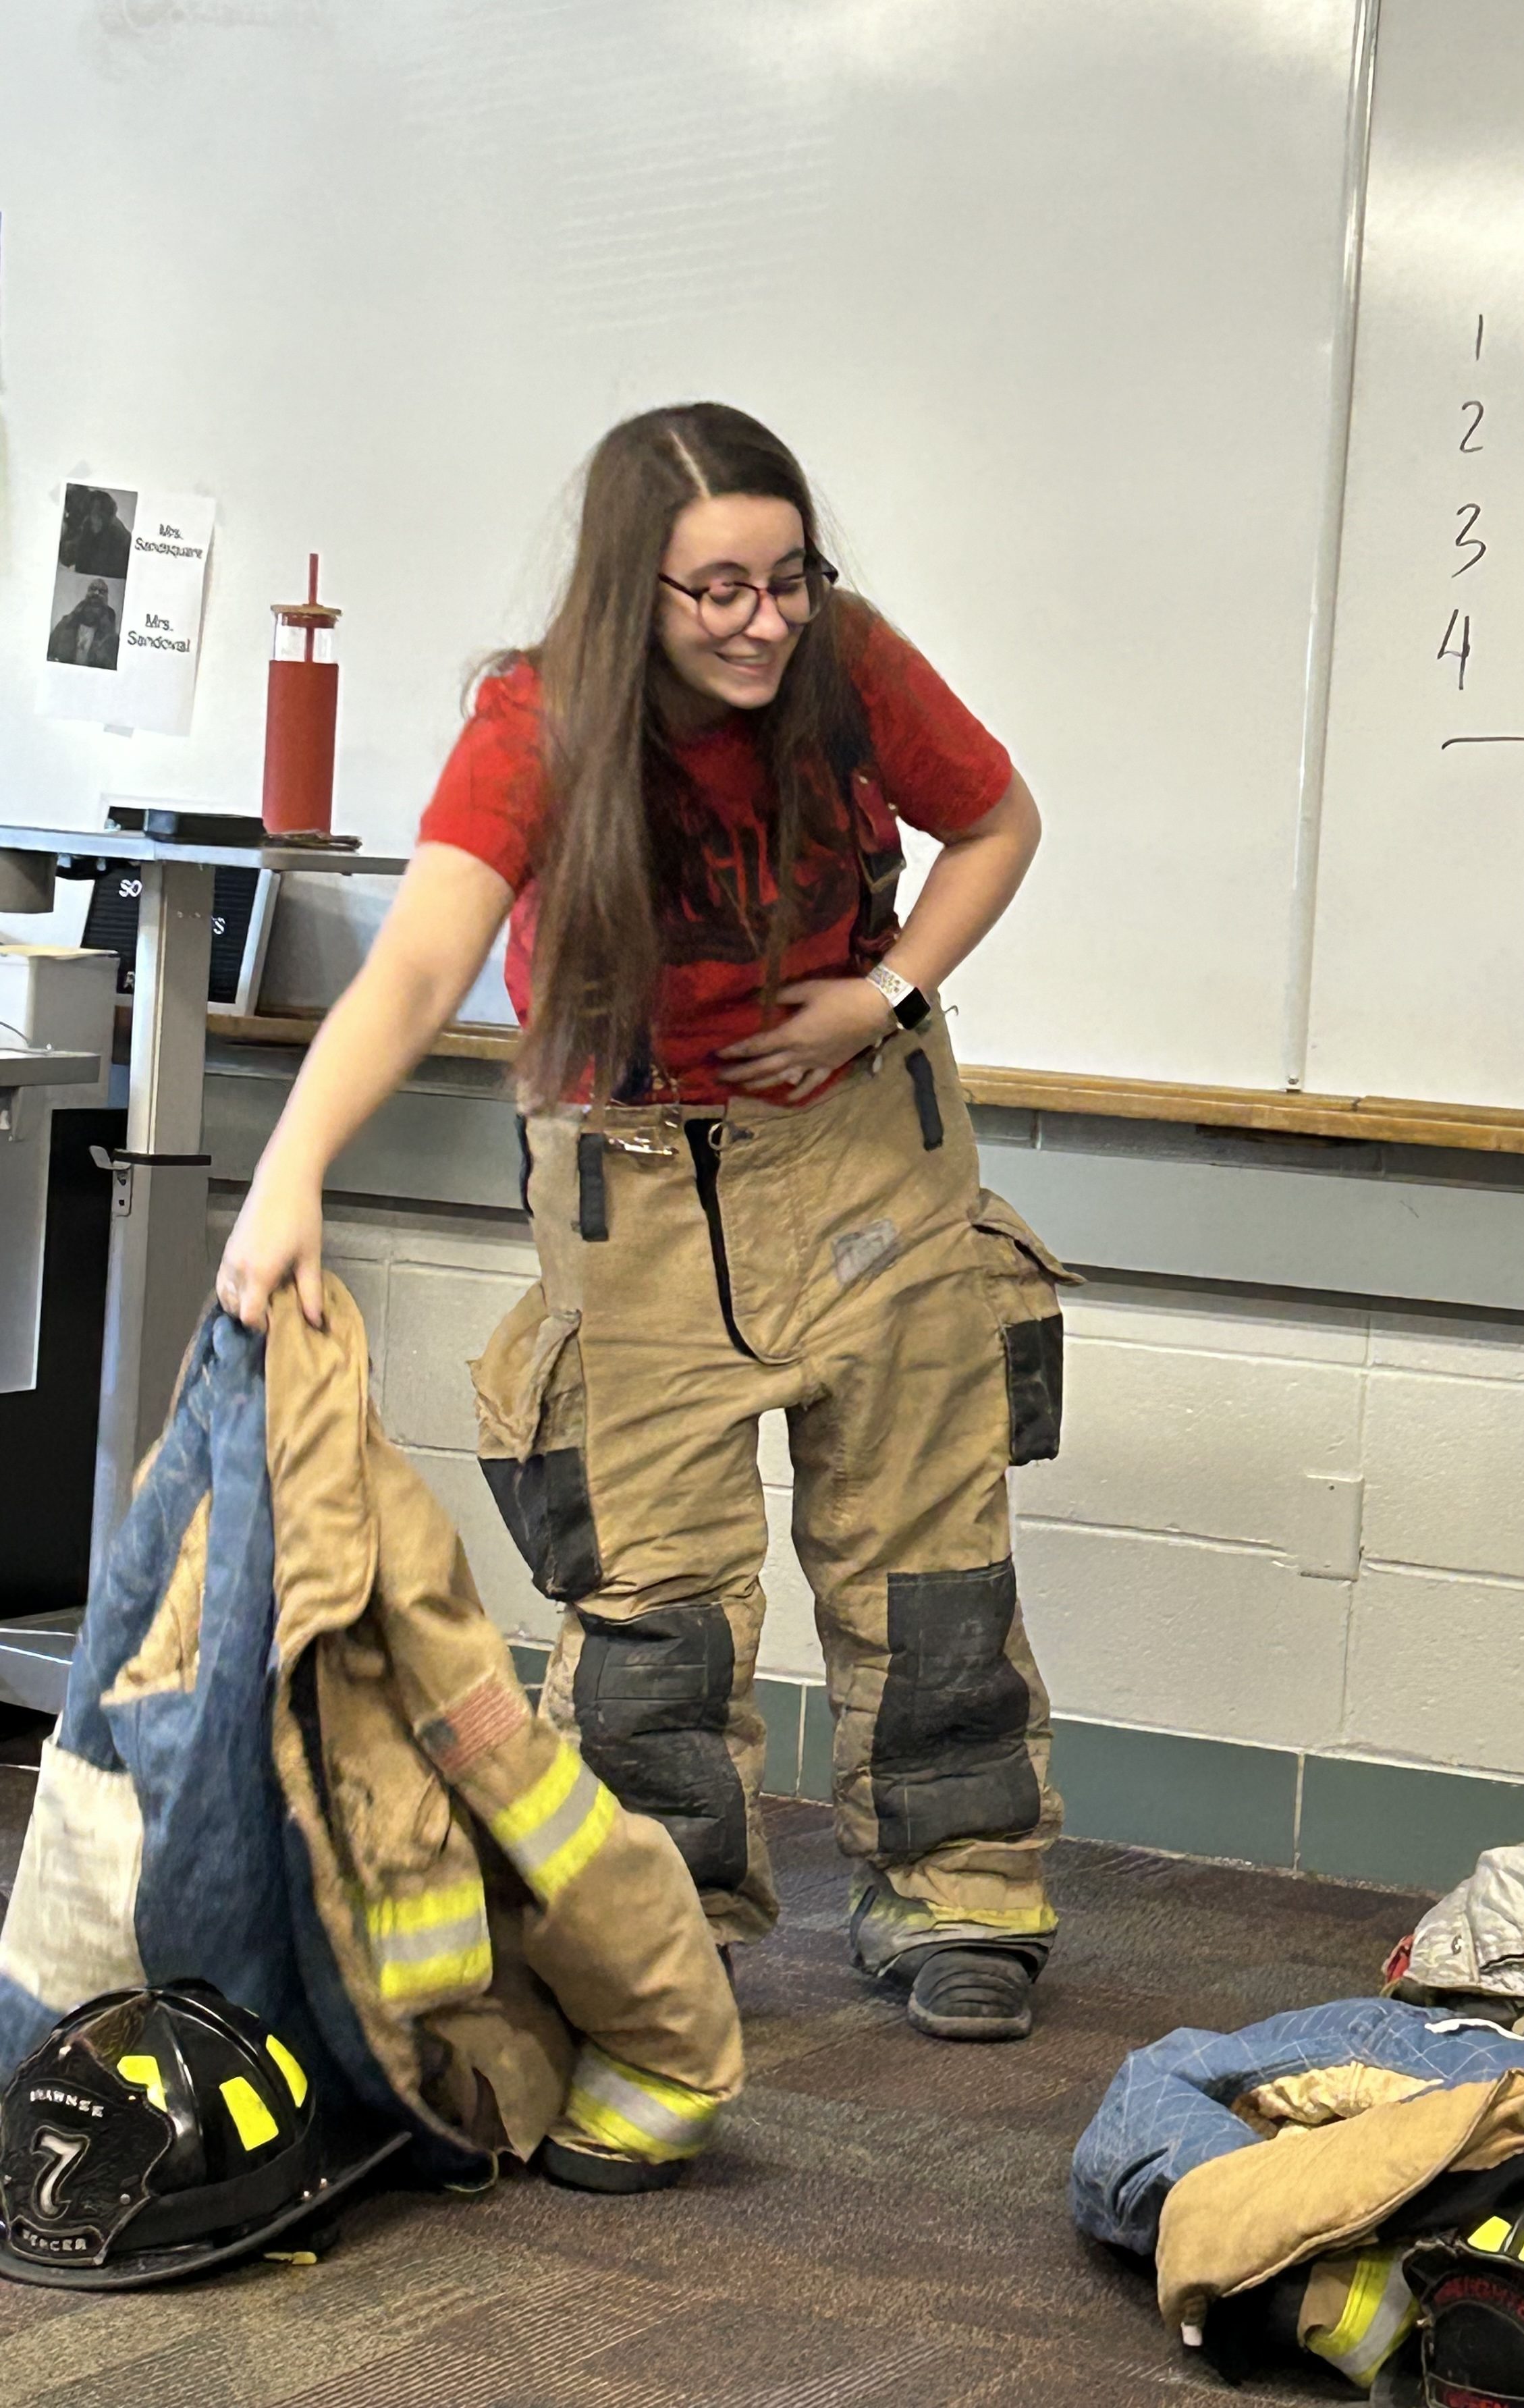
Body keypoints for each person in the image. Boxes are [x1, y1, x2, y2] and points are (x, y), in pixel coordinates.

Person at [217, 402, 1068, 2043]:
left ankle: (962, 1887)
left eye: (788, 576)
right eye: (719, 591)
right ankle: (660, 1926)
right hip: (632, 1183)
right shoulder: (536, 724)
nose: (766, 620)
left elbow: (997, 822)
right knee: (652, 1596)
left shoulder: (848, 663)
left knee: (925, 1548)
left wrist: (876, 994)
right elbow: (414, 964)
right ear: (633, 588)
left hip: (861, 1154)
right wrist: (291, 1164)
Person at [61, 488, 132, 579]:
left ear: (104, 516)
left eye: (93, 514)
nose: (88, 518)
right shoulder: (89, 527)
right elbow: (67, 558)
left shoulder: (120, 539)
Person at [47, 578, 119, 669]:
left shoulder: (110, 638)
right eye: (93, 589)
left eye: (102, 592)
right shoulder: (65, 625)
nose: (96, 593)